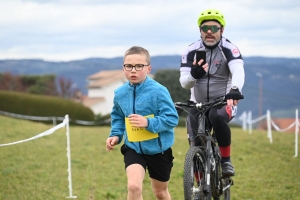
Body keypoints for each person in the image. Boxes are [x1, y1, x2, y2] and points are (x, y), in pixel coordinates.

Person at [106, 46, 179, 200]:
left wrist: (148, 123)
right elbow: (118, 117)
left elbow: (172, 118)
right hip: (133, 148)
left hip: (159, 150)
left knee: (160, 193)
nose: (133, 70)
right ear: (123, 68)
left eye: (139, 66)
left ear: (148, 68)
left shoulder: (159, 91)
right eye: (129, 66)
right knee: (133, 187)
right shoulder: (120, 93)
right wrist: (116, 136)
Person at [179, 9, 245, 177]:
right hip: (197, 103)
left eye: (214, 28)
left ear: (221, 30)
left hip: (223, 102)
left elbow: (238, 70)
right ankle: (199, 188)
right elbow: (184, 83)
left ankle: (226, 161)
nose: (209, 32)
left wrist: (235, 89)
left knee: (216, 117)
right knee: (194, 139)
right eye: (205, 28)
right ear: (200, 31)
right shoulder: (190, 50)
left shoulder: (229, 49)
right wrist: (194, 75)